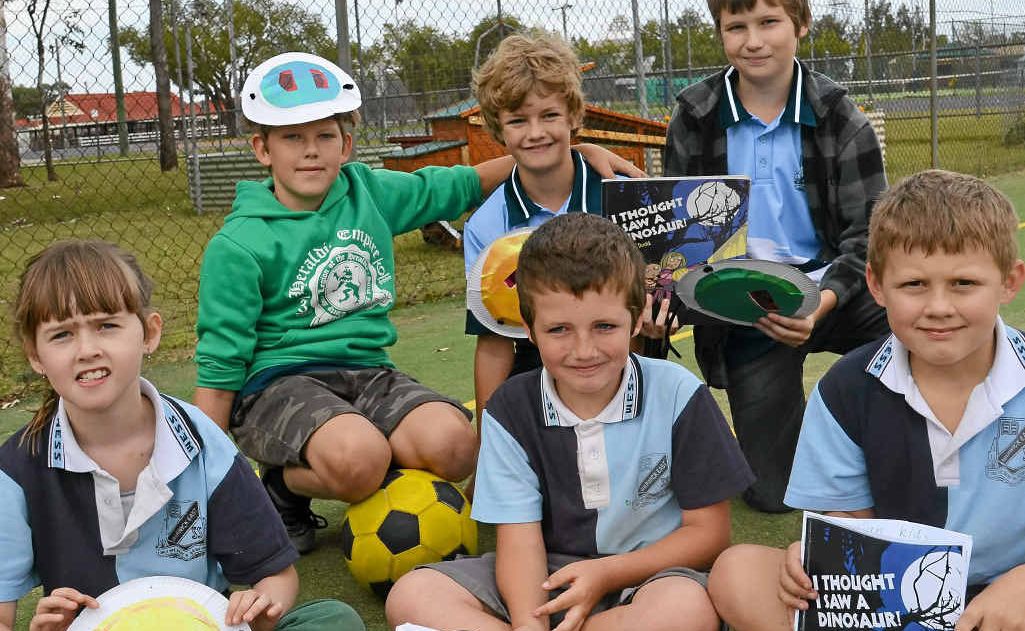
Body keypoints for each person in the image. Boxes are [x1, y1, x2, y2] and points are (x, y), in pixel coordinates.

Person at [193, 52, 641, 554]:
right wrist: (204, 484)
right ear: (262, 149)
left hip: (367, 373)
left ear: (346, 143)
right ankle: (280, 485)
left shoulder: (368, 194)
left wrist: (578, 152)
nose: (311, 152)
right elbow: (219, 365)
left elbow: (461, 184)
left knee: (455, 449)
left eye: (325, 136)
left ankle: (356, 465)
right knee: (360, 457)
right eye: (292, 138)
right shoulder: (238, 245)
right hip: (277, 384)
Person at [385, 213, 754, 631]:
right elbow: (519, 541)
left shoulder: (678, 393)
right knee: (413, 595)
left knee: (686, 609)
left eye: (604, 326)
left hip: (648, 576)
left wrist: (607, 574)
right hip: (545, 575)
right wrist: (529, 623)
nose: (584, 350)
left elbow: (709, 534)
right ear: (529, 329)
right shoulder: (511, 408)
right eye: (559, 329)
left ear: (635, 319)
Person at [707, 170, 1025, 631]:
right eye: (914, 285)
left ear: (1009, 282)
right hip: (898, 594)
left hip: (1010, 589)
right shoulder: (846, 389)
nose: (938, 306)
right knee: (738, 572)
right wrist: (820, 562)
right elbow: (850, 526)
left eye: (963, 284)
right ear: (876, 286)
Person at [0, 240, 365, 631]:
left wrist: (259, 607)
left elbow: (276, 576)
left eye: (106, 325)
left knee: (332, 620)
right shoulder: (17, 468)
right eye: (61, 335)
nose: (87, 349)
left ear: (149, 333)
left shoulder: (200, 438)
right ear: (35, 355)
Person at [663, 0, 890, 512]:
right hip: (746, 303)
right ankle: (784, 437)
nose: (753, 41)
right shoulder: (693, 117)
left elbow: (871, 233)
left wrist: (823, 301)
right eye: (736, 27)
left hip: (834, 287)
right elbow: (676, 234)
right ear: (720, 32)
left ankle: (903, 437)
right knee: (774, 496)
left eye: (769, 23)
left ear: (801, 25)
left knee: (912, 315)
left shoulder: (840, 116)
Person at [465, 33, 669, 431]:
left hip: (623, 350)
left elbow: (654, 295)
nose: (535, 132)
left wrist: (658, 313)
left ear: (574, 116)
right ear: (498, 129)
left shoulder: (620, 193)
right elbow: (492, 340)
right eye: (518, 121)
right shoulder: (487, 225)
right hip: (535, 361)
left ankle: (635, 429)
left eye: (549, 116)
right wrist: (485, 446)